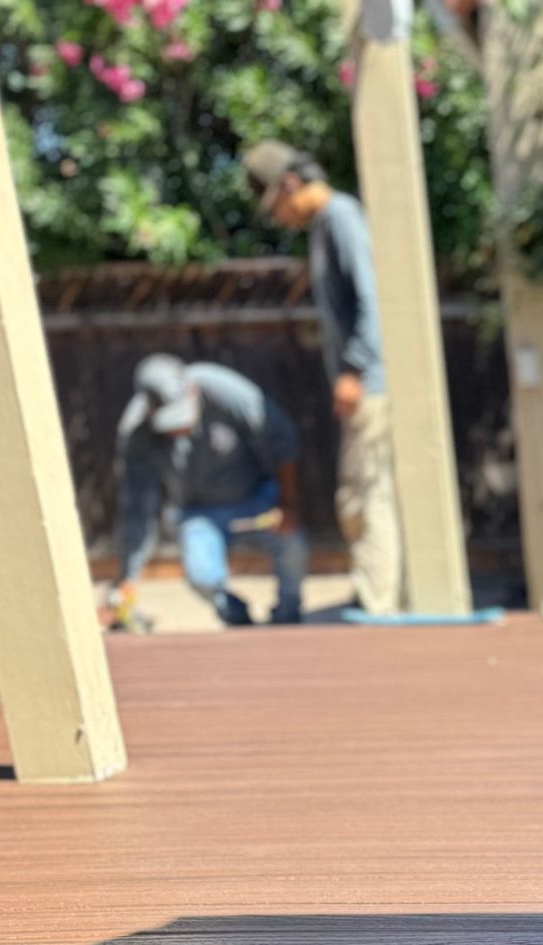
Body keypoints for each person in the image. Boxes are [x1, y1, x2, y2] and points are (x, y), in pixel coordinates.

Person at [243, 143, 404, 616]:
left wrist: (354, 370)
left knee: (364, 493)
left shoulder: (340, 217)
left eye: (277, 207)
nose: (282, 218)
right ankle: (374, 594)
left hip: (368, 382)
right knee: (357, 495)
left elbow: (368, 298)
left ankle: (378, 603)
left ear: (290, 184)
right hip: (361, 381)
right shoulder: (326, 224)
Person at [110, 355, 307, 629]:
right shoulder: (136, 432)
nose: (179, 428)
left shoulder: (220, 388)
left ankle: (289, 612)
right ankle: (235, 614)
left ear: (192, 390)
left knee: (292, 543)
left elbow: (281, 438)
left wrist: (289, 504)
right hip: (199, 512)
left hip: (257, 498)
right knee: (201, 576)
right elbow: (138, 509)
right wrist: (127, 579)